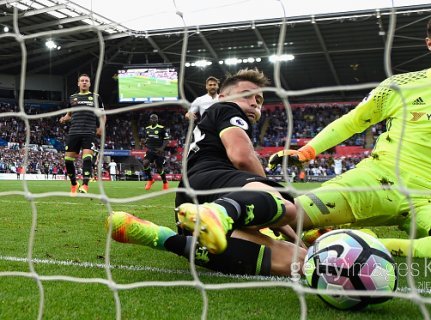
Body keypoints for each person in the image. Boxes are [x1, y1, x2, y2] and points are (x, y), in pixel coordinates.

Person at [270, 11, 431, 264]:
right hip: (379, 180)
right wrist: (307, 151)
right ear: (430, 44)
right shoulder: (399, 86)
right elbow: (352, 122)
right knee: (290, 213)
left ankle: (366, 243)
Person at [107, 68, 306, 276]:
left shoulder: (213, 119)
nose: (255, 102)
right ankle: (218, 213)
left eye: (259, 99)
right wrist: (269, 198)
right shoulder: (228, 109)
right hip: (214, 179)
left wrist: (281, 224)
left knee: (297, 262)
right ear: (222, 97)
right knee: (288, 207)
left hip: (189, 199)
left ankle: (164, 237)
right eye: (247, 95)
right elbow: (242, 157)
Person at [59, 73, 105, 194]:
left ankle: (85, 185)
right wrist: (64, 118)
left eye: (86, 81)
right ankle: (74, 184)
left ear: (89, 84)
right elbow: (69, 114)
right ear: (78, 83)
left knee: (87, 157)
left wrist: (101, 127)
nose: (84, 82)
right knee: (68, 160)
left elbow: (102, 115)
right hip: (74, 131)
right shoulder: (72, 98)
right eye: (82, 80)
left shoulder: (96, 97)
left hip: (89, 131)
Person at [142, 114, 170, 190]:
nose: (153, 120)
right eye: (152, 119)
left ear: (157, 120)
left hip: (159, 151)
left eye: (155, 119)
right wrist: (145, 142)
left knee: (159, 168)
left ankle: (165, 182)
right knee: (145, 163)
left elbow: (166, 139)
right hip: (150, 150)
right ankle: (150, 180)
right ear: (150, 120)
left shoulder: (161, 128)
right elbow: (147, 138)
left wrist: (162, 148)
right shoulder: (147, 129)